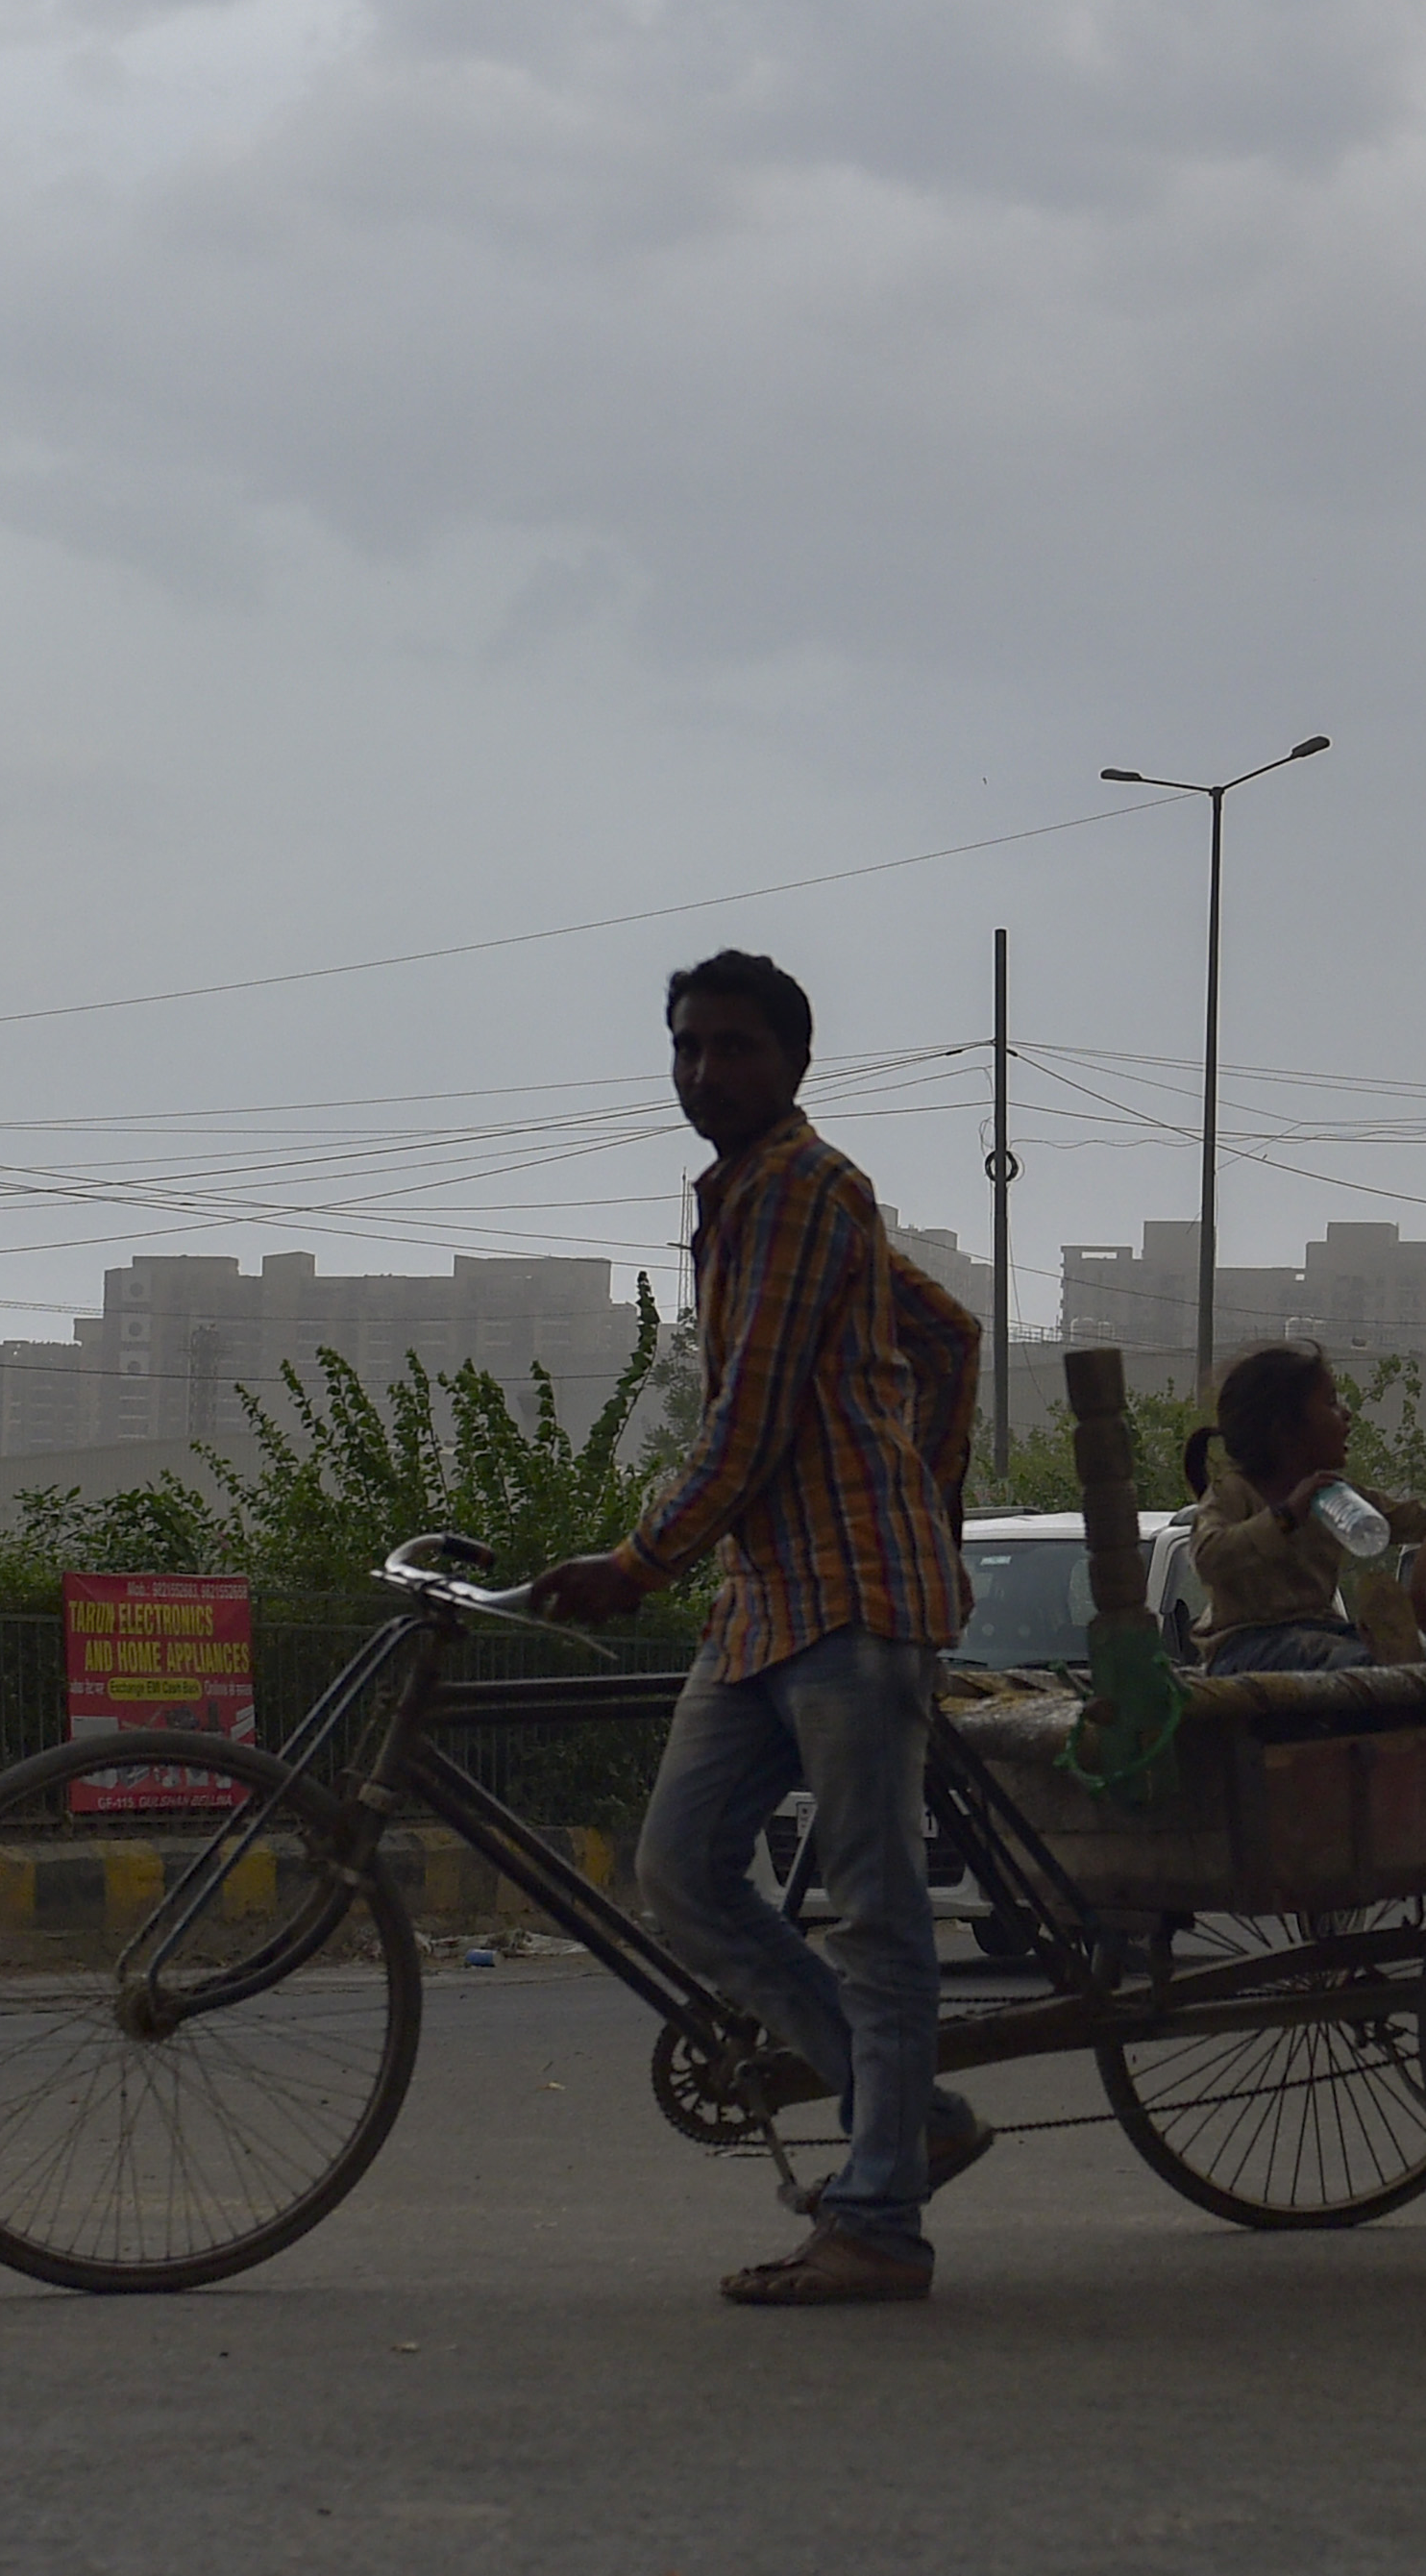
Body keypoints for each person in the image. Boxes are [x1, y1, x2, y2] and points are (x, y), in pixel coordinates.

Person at [531, 951, 989, 2308]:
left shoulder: (800, 1186)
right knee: (680, 1868)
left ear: (791, 1062)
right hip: (768, 1601)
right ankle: (906, 2119)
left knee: (877, 1912)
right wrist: (933, 1483)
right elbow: (948, 1338)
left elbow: (752, 1418)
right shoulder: (746, 1197)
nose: (704, 1071)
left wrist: (636, 1560)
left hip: (848, 1601)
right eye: (687, 1048)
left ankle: (882, 2221)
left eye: (733, 1048)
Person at [1186, 1339, 1426, 1673]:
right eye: (1331, 1404)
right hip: (1247, 1649)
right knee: (1346, 1661)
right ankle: (1396, 1666)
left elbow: (1413, 1519)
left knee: (1411, 1659)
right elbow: (1209, 1556)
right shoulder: (1234, 1492)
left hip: (1322, 1630)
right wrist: (1287, 1515)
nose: (1346, 1415)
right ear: (1285, 1429)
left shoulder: (1334, 1493)